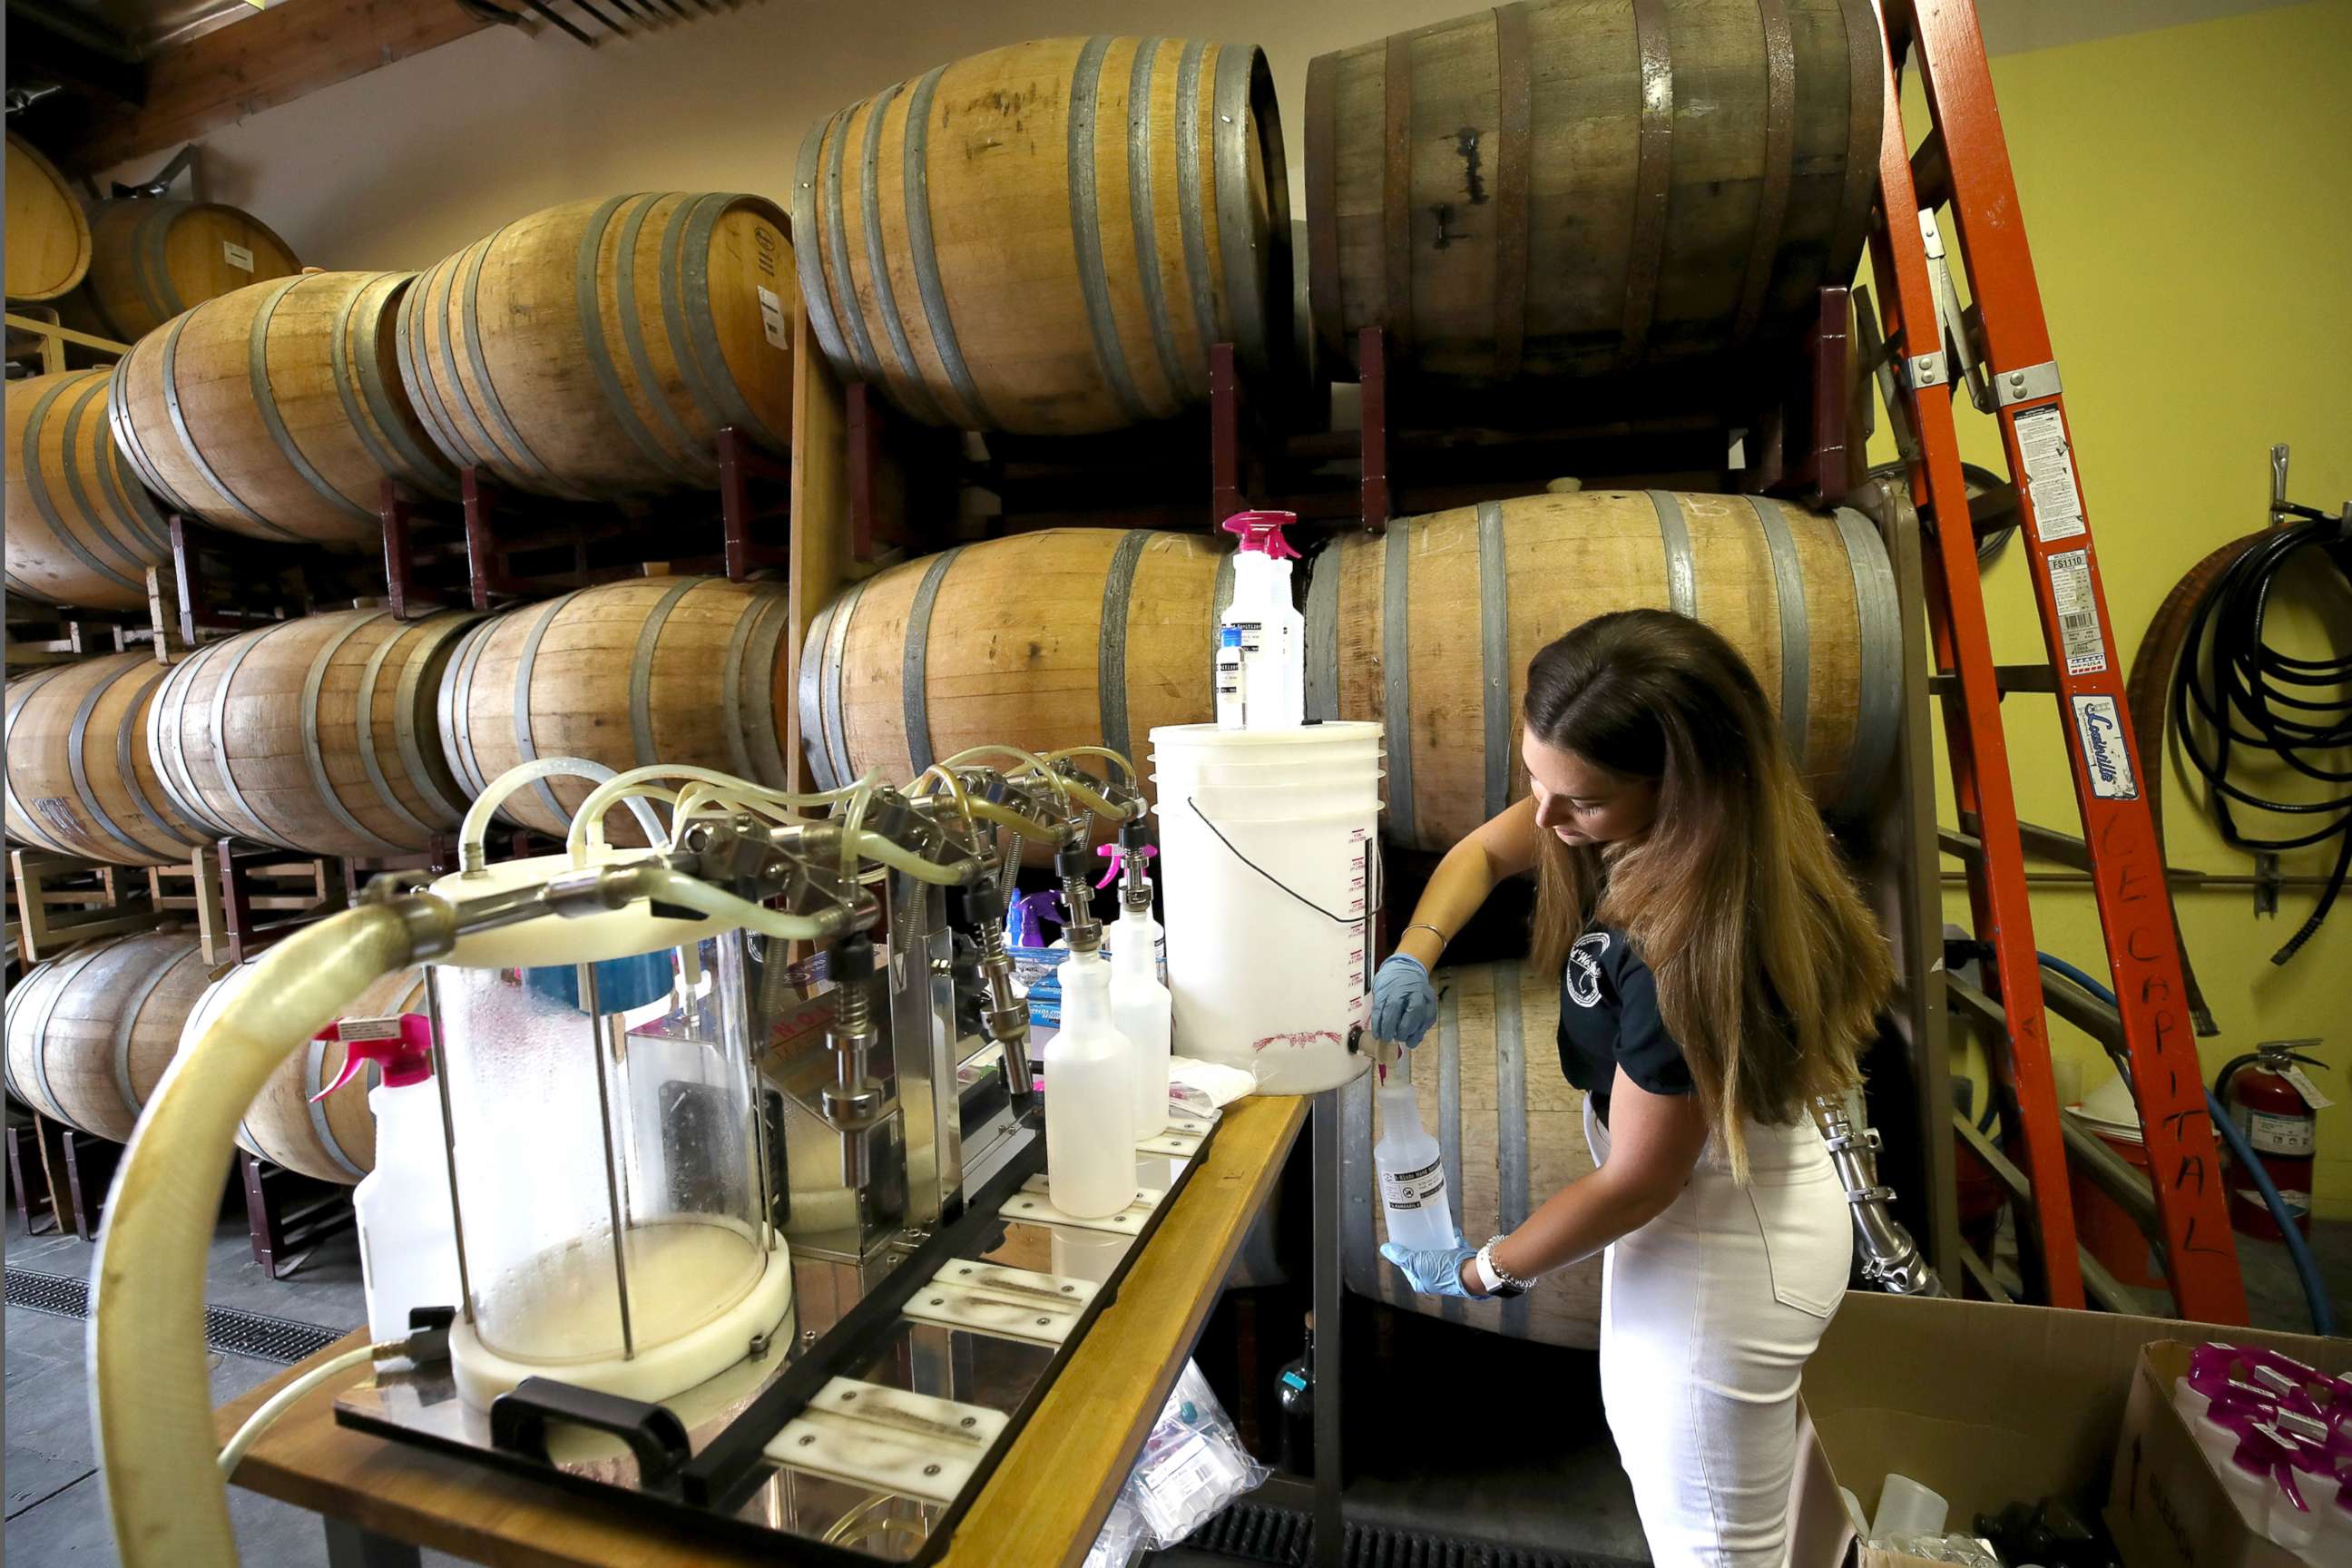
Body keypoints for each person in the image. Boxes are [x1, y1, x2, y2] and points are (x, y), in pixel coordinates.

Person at [1369, 609, 1890, 1568]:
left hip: (1719, 1254)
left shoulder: (1688, 952)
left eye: (1581, 803)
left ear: (1684, 789)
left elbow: (1639, 1182)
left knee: (1717, 1550)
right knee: (1804, 1537)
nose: (1547, 822)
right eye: (1537, 780)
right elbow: (1486, 853)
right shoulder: (1706, 839)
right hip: (1740, 1215)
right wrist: (1414, 951)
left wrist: (1487, 1270)